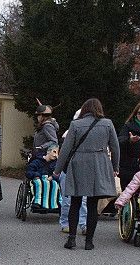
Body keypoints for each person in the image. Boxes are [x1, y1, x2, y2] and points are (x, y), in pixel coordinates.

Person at [53, 98, 119, 251]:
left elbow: (66, 149)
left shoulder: (75, 124)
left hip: (79, 163)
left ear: (84, 110)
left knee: (75, 202)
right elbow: (115, 148)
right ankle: (89, 241)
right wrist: (115, 166)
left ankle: (72, 239)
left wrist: (57, 169)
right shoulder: (108, 124)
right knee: (92, 204)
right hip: (99, 164)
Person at [58, 109, 88, 234]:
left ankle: (84, 224)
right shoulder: (67, 135)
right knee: (67, 200)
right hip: (68, 170)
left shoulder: (90, 135)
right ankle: (65, 223)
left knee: (84, 200)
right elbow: (63, 154)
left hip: (83, 170)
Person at [25, 143, 61, 210]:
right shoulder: (37, 161)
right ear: (48, 151)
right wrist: (37, 175)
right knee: (39, 183)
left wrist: (53, 177)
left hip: (49, 180)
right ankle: (37, 202)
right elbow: (29, 172)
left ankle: (53, 204)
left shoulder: (55, 164)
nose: (56, 155)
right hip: (37, 179)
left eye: (58, 153)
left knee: (55, 184)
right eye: (54, 152)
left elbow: (58, 173)